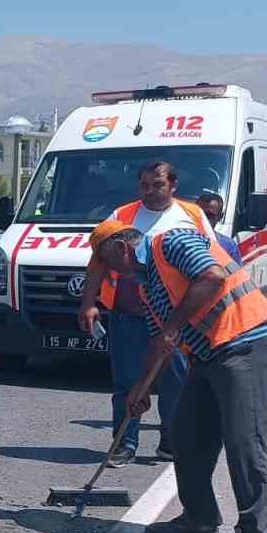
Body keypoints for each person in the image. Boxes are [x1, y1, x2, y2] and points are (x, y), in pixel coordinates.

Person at [90, 217, 267, 533]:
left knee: (243, 438)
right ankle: (199, 518)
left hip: (246, 343)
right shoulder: (147, 286)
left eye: (108, 263)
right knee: (186, 434)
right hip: (208, 355)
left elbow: (212, 277)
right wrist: (139, 390)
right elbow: (158, 340)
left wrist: (173, 325)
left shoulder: (172, 242)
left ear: (122, 248)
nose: (109, 272)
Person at [77, 161, 213, 467]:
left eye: (158, 185)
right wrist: (89, 302)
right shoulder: (122, 215)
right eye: (145, 186)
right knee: (127, 382)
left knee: (175, 381)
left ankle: (171, 441)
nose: (150, 192)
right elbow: (97, 261)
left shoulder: (191, 216)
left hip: (175, 318)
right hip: (130, 315)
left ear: (173, 186)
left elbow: (211, 262)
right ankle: (124, 443)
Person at [195, 192, 242, 262]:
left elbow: (236, 272)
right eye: (200, 214)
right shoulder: (180, 240)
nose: (204, 219)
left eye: (209, 216)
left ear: (220, 217)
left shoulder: (228, 246)